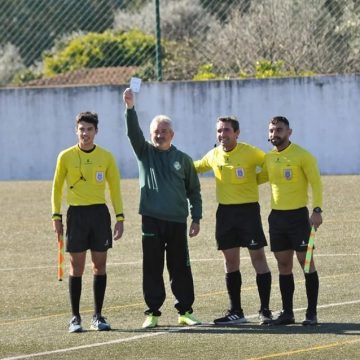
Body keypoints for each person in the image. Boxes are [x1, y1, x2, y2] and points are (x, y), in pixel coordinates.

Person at [122, 88, 202, 329]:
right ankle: (153, 313)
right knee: (152, 267)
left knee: (180, 266)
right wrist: (130, 108)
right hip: (151, 219)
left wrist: (196, 218)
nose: (160, 135)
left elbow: (194, 191)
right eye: (156, 132)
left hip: (177, 220)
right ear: (151, 134)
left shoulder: (184, 159)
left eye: (164, 132)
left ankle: (185, 311)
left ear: (172, 134)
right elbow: (132, 133)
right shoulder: (144, 152)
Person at [194, 116, 272, 325]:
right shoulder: (214, 154)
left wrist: (256, 180)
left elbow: (269, 164)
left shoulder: (250, 152)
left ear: (237, 133)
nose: (222, 135)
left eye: (227, 130)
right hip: (225, 214)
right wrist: (171, 161)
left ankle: (265, 310)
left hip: (248, 212)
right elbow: (197, 167)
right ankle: (236, 311)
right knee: (230, 262)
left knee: (258, 259)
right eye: (219, 131)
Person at [51, 111, 125, 333]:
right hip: (76, 216)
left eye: (89, 129)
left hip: (99, 215)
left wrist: (120, 217)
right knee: (76, 266)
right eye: (82, 129)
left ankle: (97, 316)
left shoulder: (106, 157)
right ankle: (75, 317)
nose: (85, 133)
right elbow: (56, 188)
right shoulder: (65, 156)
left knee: (99, 265)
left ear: (96, 131)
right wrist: (56, 216)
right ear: (76, 130)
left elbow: (115, 189)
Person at [260, 116, 323, 326]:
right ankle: (288, 313)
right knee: (283, 265)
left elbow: (316, 183)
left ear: (289, 132)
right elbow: (258, 178)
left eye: (278, 130)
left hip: (299, 217)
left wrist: (317, 210)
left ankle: (311, 313)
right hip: (277, 218)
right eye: (271, 130)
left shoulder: (303, 155)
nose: (274, 134)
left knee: (306, 264)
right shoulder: (268, 158)